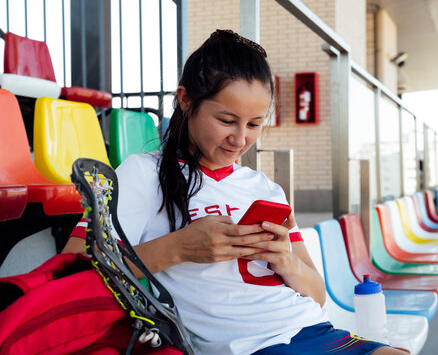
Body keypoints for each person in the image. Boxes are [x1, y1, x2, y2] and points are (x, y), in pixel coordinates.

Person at [63, 29, 408, 355]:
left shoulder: (266, 189)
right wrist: (177, 248)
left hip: (316, 331)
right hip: (248, 347)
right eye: (227, 120)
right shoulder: (143, 174)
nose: (241, 139)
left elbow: (316, 295)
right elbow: (74, 268)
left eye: (255, 124)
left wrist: (284, 259)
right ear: (185, 100)